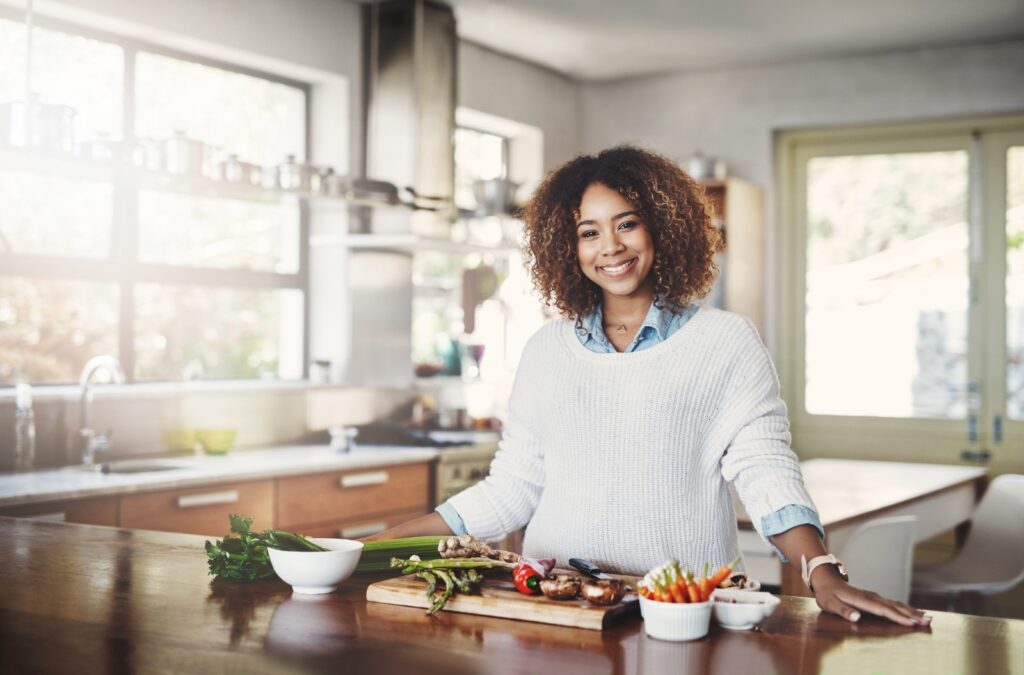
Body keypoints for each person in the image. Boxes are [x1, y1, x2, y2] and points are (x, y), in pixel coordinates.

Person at [373, 145, 929, 627]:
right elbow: (511, 489)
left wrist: (820, 570)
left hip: (686, 608)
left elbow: (766, 470)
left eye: (626, 223)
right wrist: (372, 548)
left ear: (663, 226)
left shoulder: (726, 341)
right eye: (588, 232)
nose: (609, 246)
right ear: (569, 249)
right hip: (562, 606)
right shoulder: (546, 351)